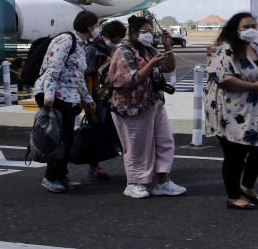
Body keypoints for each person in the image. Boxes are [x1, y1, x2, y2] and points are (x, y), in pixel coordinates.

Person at [105, 15, 185, 199]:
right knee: (137, 145)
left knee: (164, 141)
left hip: (153, 103)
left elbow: (169, 67)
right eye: (145, 31)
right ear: (133, 34)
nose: (149, 35)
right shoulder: (123, 52)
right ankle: (134, 183)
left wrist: (168, 47)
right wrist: (150, 65)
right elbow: (130, 78)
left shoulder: (150, 50)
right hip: (132, 107)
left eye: (151, 31)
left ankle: (163, 181)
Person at [204, 13, 258, 210]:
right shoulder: (226, 50)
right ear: (235, 29)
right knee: (235, 155)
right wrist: (252, 85)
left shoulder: (256, 48)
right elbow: (223, 78)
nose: (251, 29)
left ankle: (247, 186)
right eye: (246, 26)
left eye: (254, 25)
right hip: (233, 111)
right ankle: (233, 196)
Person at [32, 11, 98, 193]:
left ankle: (62, 174)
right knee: (58, 137)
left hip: (68, 96)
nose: (98, 29)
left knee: (68, 137)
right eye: (97, 25)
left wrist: (87, 99)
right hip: (53, 95)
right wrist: (49, 96)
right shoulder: (67, 40)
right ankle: (50, 177)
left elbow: (78, 77)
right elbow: (54, 68)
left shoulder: (81, 45)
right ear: (89, 26)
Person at [83, 20, 127, 181]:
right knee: (96, 129)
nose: (117, 44)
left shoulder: (106, 48)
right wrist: (88, 101)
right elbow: (87, 74)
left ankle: (133, 163)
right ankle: (93, 167)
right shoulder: (93, 50)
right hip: (95, 96)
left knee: (112, 127)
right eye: (115, 41)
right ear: (106, 36)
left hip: (106, 95)